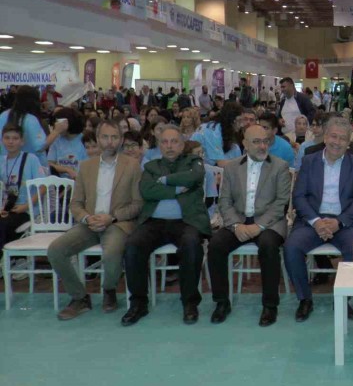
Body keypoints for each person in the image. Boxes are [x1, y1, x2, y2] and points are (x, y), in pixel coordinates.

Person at [47, 120, 143, 320]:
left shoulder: (132, 166)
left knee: (112, 252)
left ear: (121, 140)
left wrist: (112, 217)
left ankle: (109, 290)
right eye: (105, 137)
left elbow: (138, 204)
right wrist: (86, 217)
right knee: (56, 250)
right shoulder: (86, 166)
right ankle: (80, 297)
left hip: (117, 223)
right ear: (98, 139)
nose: (110, 142)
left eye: (114, 137)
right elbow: (75, 204)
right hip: (89, 223)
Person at [120, 124, 211, 326]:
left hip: (186, 221)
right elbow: (147, 190)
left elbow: (194, 177)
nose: (169, 146)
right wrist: (176, 189)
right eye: (165, 142)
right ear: (159, 145)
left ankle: (189, 303)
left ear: (182, 145)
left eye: (174, 141)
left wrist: (164, 181)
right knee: (133, 245)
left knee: (191, 244)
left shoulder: (194, 162)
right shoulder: (151, 166)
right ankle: (138, 303)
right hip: (154, 222)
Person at [283, 117, 353, 322]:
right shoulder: (309, 160)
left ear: (349, 142)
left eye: (342, 138)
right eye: (333, 136)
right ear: (325, 136)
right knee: (291, 248)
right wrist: (316, 221)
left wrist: (339, 222)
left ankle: (344, 300)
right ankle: (305, 299)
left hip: (345, 222)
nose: (337, 142)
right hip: (312, 220)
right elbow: (299, 196)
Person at [206, 125, 292, 326]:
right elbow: (224, 201)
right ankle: (221, 302)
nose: (262, 146)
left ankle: (270, 305)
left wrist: (259, 226)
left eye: (265, 141)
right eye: (256, 142)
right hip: (238, 220)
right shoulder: (231, 167)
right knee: (215, 246)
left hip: (270, 223)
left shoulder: (280, 166)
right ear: (244, 144)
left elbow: (281, 203)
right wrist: (236, 225)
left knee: (268, 246)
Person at [0, 124, 45, 252]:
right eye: (7, 138)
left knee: (3, 224)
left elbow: (43, 187)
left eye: (15, 138)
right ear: (2, 140)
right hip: (6, 209)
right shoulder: (1, 161)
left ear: (22, 141)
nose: (11, 141)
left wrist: (25, 206)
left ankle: (6, 257)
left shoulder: (31, 159)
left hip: (26, 210)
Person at [191, 102, 243, 167]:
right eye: (239, 120)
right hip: (193, 165)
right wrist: (243, 161)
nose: (242, 125)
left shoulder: (218, 128)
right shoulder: (213, 132)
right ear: (231, 119)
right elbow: (221, 164)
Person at [47, 108, 88, 179]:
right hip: (61, 182)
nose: (56, 126)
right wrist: (66, 170)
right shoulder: (56, 140)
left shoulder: (85, 140)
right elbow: (49, 164)